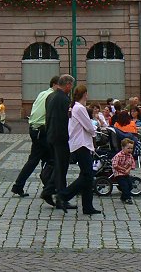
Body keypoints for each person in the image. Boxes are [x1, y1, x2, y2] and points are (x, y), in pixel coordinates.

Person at [10, 76, 58, 198]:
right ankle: (48, 185)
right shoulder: (52, 96)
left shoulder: (43, 93)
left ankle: (19, 186)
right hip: (42, 131)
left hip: (34, 129)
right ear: (55, 84)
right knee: (51, 160)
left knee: (40, 159)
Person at [59, 84, 101, 215]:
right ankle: (64, 194)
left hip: (80, 144)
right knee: (88, 175)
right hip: (81, 144)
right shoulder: (79, 108)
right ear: (85, 94)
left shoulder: (75, 107)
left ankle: (87, 207)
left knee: (86, 176)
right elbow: (89, 127)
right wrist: (96, 129)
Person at [40, 73, 75, 210]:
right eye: (71, 85)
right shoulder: (64, 99)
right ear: (67, 85)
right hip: (61, 137)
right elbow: (67, 120)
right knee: (62, 168)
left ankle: (52, 193)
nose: (71, 88)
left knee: (58, 166)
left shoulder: (50, 96)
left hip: (51, 135)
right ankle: (55, 194)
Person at [111, 138, 138, 205]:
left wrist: (128, 170)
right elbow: (115, 165)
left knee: (130, 185)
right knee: (125, 186)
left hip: (126, 173)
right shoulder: (118, 155)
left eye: (131, 148)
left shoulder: (130, 156)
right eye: (128, 148)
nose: (130, 150)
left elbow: (132, 164)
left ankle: (123, 197)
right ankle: (127, 198)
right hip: (119, 173)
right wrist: (123, 169)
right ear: (123, 147)